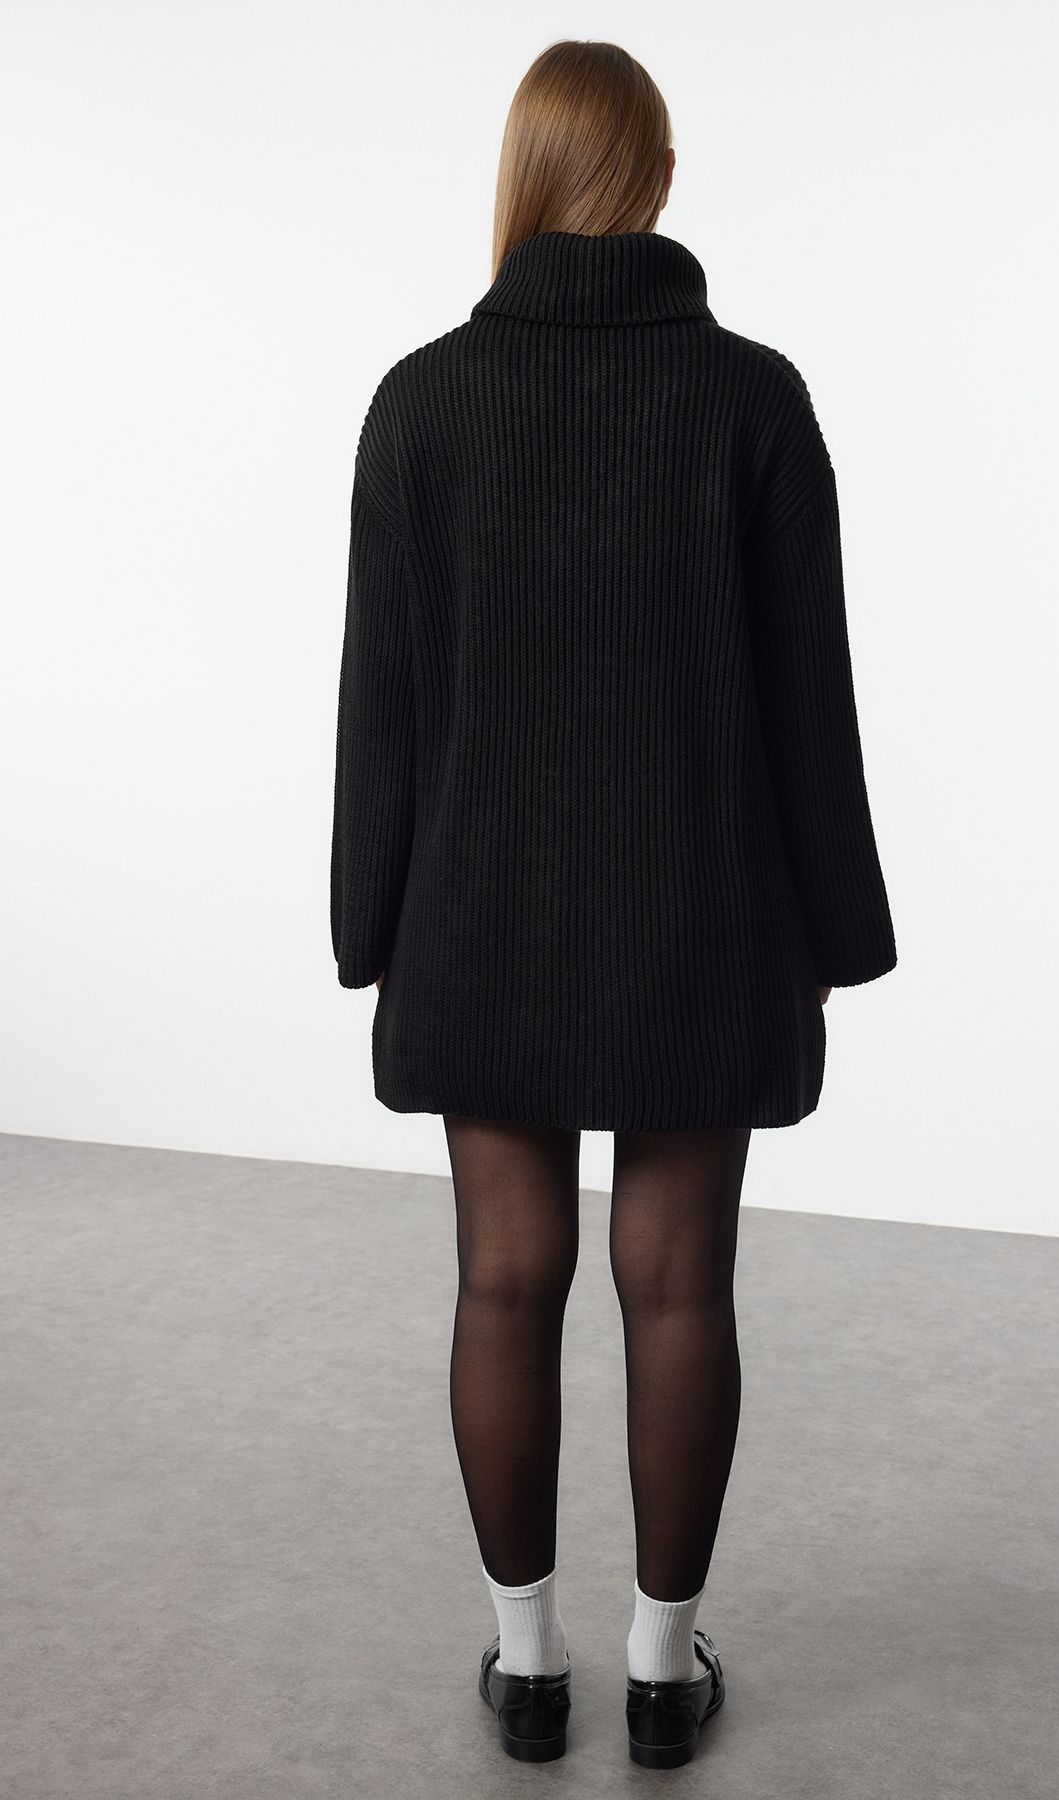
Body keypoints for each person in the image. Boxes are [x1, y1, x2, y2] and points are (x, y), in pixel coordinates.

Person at [330, 38, 897, 1769]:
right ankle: (663, 1670)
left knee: (504, 1280)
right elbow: (808, 703)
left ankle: (526, 1668)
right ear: (656, 178)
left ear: (523, 173)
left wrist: (370, 926)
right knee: (679, 1285)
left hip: (479, 915)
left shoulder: (422, 403)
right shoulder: (752, 400)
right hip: (698, 920)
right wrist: (835, 933)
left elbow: (383, 708)